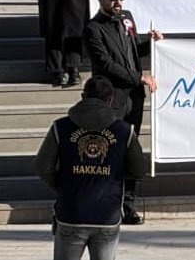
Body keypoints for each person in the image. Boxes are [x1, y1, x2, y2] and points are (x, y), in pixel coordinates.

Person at [33, 76, 149, 260]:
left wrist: (63, 187)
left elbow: (42, 167)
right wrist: (113, 178)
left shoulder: (61, 127)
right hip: (107, 213)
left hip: (71, 212)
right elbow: (139, 170)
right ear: (110, 100)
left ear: (82, 96)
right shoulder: (125, 131)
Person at [82, 0, 163, 226]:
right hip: (111, 101)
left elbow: (132, 50)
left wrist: (150, 42)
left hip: (133, 99)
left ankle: (127, 206)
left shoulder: (126, 17)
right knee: (109, 153)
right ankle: (104, 204)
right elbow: (106, 64)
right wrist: (139, 77)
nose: (118, 3)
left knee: (131, 152)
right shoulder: (93, 29)